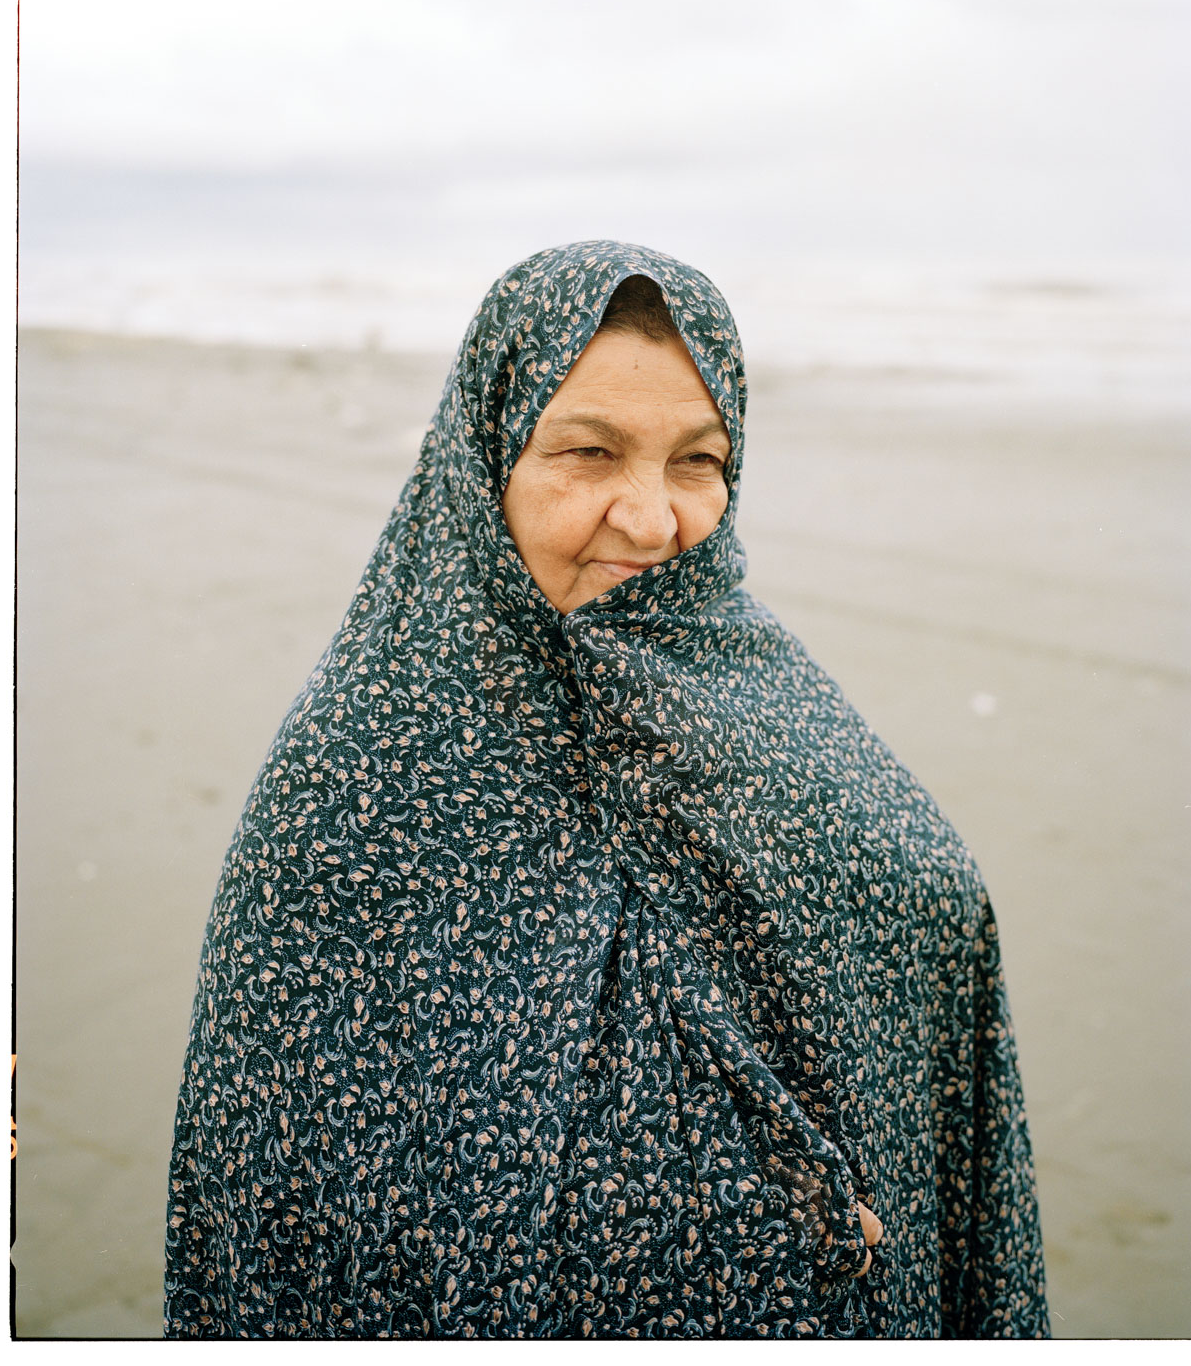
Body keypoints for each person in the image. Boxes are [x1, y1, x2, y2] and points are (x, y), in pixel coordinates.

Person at [165, 240, 1048, 1339]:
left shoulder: (773, 711)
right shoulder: (349, 797)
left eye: (697, 459)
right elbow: (287, 1234)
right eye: (588, 451)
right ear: (480, 468)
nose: (653, 519)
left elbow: (935, 969)